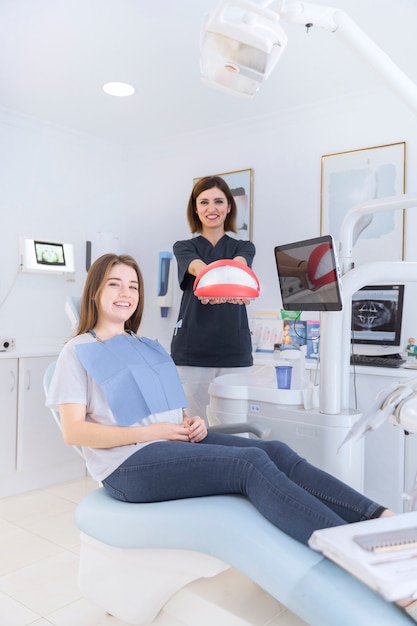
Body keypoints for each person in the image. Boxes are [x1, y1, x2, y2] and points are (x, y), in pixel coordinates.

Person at [45, 253, 417, 621]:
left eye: (133, 286)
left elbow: (171, 409)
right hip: (127, 466)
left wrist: (192, 422)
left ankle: (382, 521)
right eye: (114, 284)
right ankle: (362, 560)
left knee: (275, 451)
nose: (125, 293)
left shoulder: (145, 345)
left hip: (171, 443)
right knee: (249, 465)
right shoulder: (77, 352)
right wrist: (153, 432)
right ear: (95, 292)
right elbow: (74, 431)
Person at [170, 175, 255, 422]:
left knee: (234, 424)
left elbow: (239, 268)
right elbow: (198, 268)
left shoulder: (244, 248)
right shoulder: (184, 247)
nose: (211, 208)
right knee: (194, 425)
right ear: (196, 209)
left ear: (229, 207)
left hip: (234, 351)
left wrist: (224, 281)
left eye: (218, 201)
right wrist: (220, 284)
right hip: (193, 349)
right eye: (204, 202)